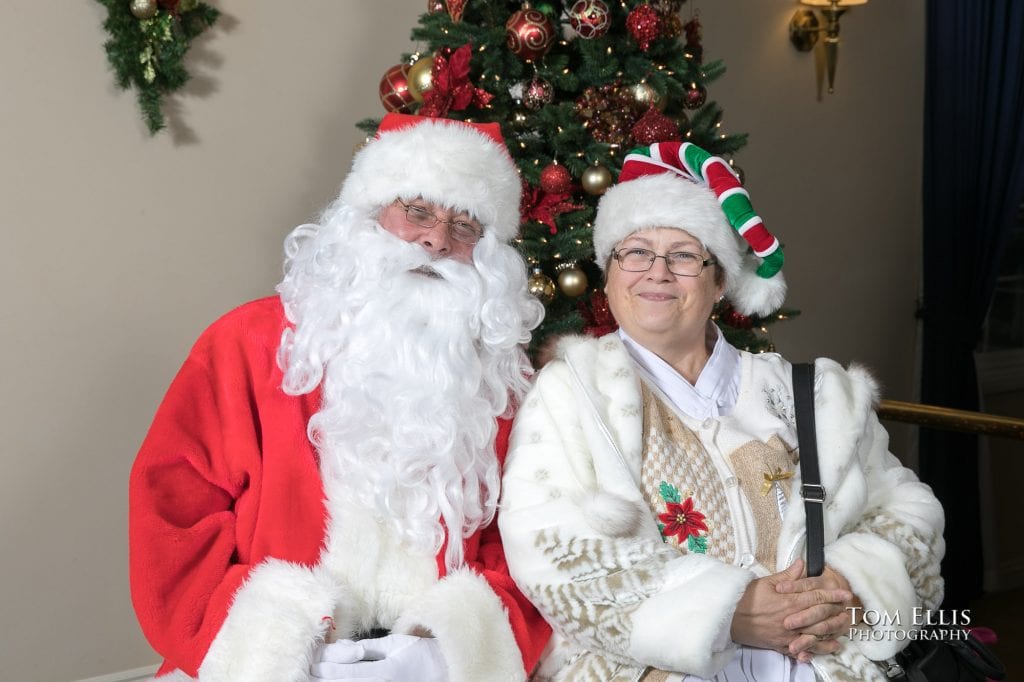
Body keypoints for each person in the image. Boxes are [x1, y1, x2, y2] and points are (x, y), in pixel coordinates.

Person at [497, 141, 945, 681]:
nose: (656, 273)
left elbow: (907, 508)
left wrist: (849, 585)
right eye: (635, 252)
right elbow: (551, 551)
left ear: (719, 281)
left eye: (684, 255)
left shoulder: (820, 395)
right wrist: (731, 611)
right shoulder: (569, 394)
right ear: (610, 275)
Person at [129, 113, 551, 682]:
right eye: (418, 210)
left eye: (466, 225)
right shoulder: (246, 343)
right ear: (369, 214)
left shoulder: (503, 383)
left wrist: (441, 650)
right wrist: (276, 640)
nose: (436, 239)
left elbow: (530, 535)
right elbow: (173, 512)